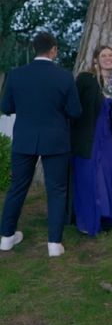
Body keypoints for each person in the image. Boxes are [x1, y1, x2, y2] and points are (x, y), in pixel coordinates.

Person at [0, 32, 82, 257]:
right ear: (53, 50)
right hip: (56, 139)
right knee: (56, 190)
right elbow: (75, 111)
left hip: (25, 138)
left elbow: (6, 108)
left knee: (17, 187)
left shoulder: (16, 75)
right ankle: (54, 244)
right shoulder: (64, 77)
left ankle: (6, 238)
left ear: (34, 49)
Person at [70, 46, 112, 237]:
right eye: (103, 55)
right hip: (88, 137)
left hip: (107, 138)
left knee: (107, 174)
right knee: (88, 176)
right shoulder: (86, 79)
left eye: (111, 55)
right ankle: (87, 221)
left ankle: (105, 214)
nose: (108, 58)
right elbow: (73, 105)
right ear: (95, 60)